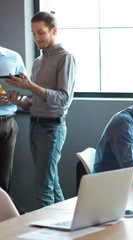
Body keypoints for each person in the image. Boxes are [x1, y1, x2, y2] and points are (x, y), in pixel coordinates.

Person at [6, 12, 77, 208]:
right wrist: (18, 101)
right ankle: (67, 227)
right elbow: (35, 100)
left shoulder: (66, 59)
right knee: (51, 185)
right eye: (33, 33)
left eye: (41, 33)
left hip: (52, 129)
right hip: (35, 127)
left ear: (54, 31)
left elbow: (63, 99)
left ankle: (48, 235)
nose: (36, 38)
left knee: (42, 188)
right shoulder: (38, 62)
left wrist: (29, 86)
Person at [0, 46, 26, 195]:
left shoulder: (13, 57)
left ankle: (4, 217)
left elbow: (26, 91)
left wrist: (14, 99)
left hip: (8, 125)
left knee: (4, 178)